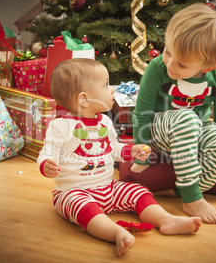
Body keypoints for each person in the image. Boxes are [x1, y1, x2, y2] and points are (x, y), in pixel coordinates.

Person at [37, 58, 202, 257]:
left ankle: (165, 219)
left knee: (137, 190)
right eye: (106, 85)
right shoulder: (60, 127)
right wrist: (46, 164)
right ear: (84, 99)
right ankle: (115, 232)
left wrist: (131, 151)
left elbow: (113, 149)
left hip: (109, 188)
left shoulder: (106, 121)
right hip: (73, 192)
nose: (112, 90)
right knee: (82, 207)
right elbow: (46, 152)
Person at [131, 3, 216, 224]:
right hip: (159, 131)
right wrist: (143, 149)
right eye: (167, 51)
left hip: (193, 131)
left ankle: (178, 193)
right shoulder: (157, 69)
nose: (170, 65)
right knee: (188, 118)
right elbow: (142, 113)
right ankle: (192, 198)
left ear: (208, 66)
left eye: (181, 64)